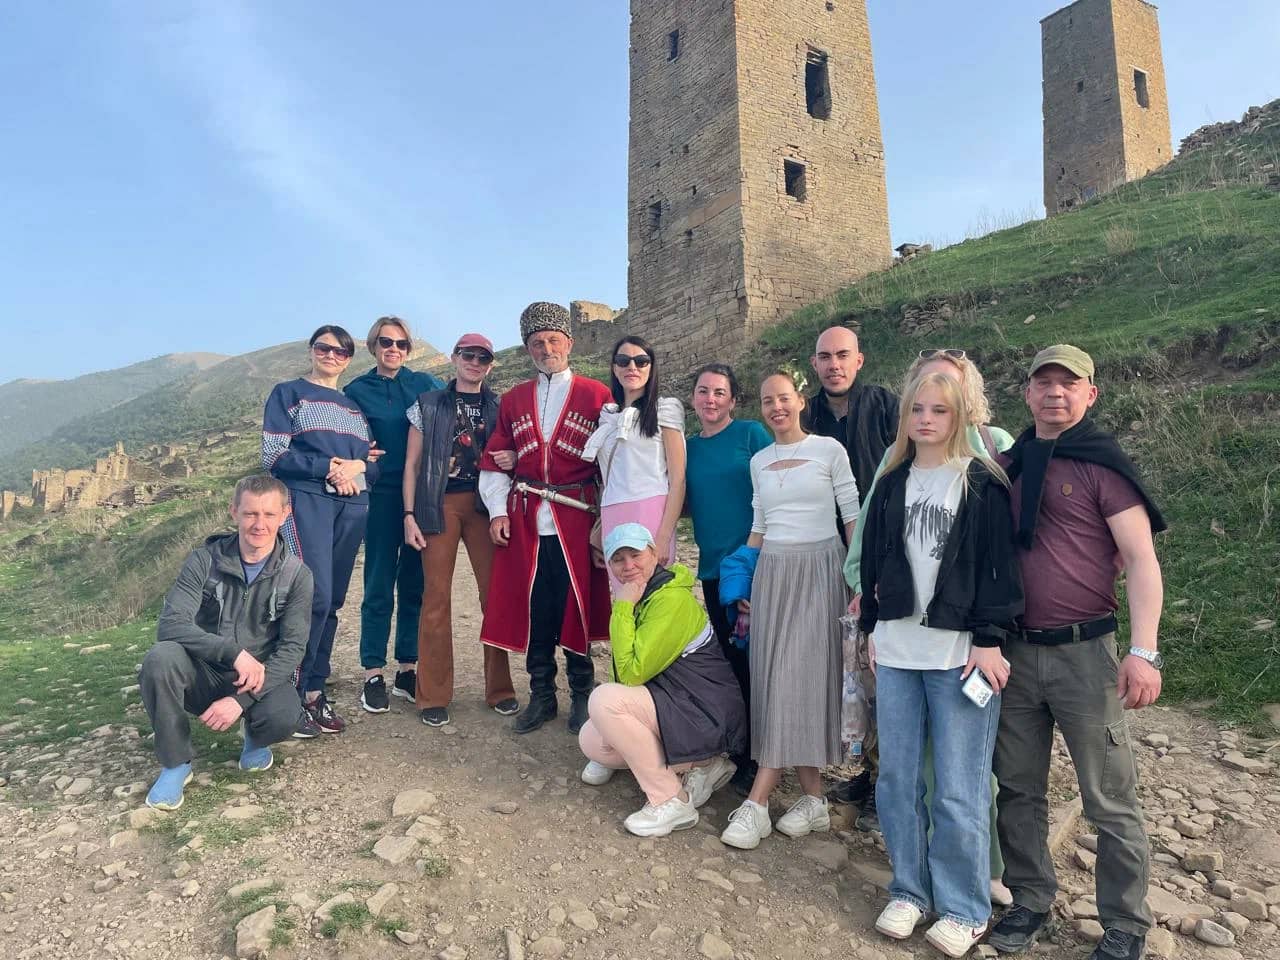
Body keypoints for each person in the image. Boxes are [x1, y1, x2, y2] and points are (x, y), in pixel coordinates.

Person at [988, 346, 1166, 960]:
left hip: (1085, 653)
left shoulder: (1103, 467)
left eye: (1069, 383)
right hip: (1013, 653)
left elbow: (1141, 559)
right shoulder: (1007, 467)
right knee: (1017, 788)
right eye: (1044, 383)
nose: (1055, 393)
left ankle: (1126, 922)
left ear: (1091, 394)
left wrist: (1144, 650)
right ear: (1027, 394)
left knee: (1108, 795)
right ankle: (1030, 899)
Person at [858, 372, 1023, 958]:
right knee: (898, 779)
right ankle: (909, 889)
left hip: (959, 653)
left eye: (939, 411)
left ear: (959, 417)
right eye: (917, 410)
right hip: (898, 650)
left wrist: (990, 640)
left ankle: (964, 907)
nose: (926, 420)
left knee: (958, 786)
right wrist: (871, 625)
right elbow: (874, 560)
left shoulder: (981, 482)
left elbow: (999, 569)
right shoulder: (892, 480)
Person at [719, 371, 858, 850]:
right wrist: (743, 578)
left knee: (795, 677)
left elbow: (851, 516)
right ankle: (814, 799)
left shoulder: (829, 450)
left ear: (800, 400)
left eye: (783, 398)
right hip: (773, 572)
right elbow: (759, 523)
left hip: (821, 570)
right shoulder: (759, 461)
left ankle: (757, 801)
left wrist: (858, 581)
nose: (776, 407)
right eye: (767, 401)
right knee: (776, 676)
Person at [478, 302, 612, 735]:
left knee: (576, 605)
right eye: (537, 342)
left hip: (577, 519)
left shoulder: (597, 395)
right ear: (527, 348)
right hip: (527, 520)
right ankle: (541, 695)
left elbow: (612, 461)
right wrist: (498, 511)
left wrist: (606, 522)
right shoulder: (514, 399)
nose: (546, 348)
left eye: (554, 340)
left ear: (569, 343)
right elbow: (494, 460)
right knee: (536, 608)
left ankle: (582, 693)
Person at [139, 475, 312, 810]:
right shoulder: (204, 560)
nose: (259, 524)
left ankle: (255, 738)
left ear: (285, 515)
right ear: (234, 512)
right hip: (202, 670)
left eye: (269, 514)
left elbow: (292, 649)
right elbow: (171, 624)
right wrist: (233, 653)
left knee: (285, 715)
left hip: (258, 677)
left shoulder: (297, 575)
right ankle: (176, 764)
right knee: (160, 659)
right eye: (250, 513)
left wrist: (240, 700)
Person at [578, 524, 747, 837]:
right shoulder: (644, 593)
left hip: (705, 714)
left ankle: (671, 798)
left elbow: (630, 674)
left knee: (604, 701)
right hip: (681, 703)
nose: (628, 565)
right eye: (618, 559)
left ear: (654, 554)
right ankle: (700, 766)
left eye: (635, 554)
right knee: (592, 738)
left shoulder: (669, 600)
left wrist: (622, 608)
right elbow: (625, 670)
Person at [802, 326, 899, 820]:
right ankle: (863, 767)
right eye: (825, 357)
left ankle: (887, 781)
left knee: (878, 667)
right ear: (814, 364)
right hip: (823, 554)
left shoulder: (885, 406)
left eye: (843, 355)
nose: (834, 364)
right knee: (847, 666)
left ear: (859, 360)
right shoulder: (807, 416)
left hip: (878, 554)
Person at [262, 325, 377, 737]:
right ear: (312, 351)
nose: (332, 355)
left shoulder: (353, 408)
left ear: (349, 359)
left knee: (333, 602)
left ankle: (313, 691)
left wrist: (356, 468)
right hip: (307, 501)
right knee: (313, 597)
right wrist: (328, 467)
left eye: (341, 351)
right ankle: (287, 696)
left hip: (352, 505)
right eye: (324, 348)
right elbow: (273, 455)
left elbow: (373, 464)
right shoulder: (288, 394)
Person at [403, 333, 518, 726]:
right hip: (439, 504)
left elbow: (514, 453)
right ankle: (432, 695)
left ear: (490, 364)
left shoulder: (500, 406)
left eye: (483, 357)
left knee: (494, 597)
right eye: (468, 355)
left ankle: (500, 689)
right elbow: (412, 465)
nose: (475, 362)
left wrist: (513, 456)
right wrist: (408, 514)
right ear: (454, 358)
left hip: (486, 505)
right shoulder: (426, 404)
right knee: (436, 597)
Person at [343, 316, 445, 714]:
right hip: (381, 496)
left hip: (423, 494)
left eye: (401, 344)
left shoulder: (424, 383)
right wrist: (357, 455)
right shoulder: (356, 390)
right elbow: (345, 438)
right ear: (373, 346)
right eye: (386, 342)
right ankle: (373, 671)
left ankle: (407, 668)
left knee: (415, 582)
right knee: (379, 581)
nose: (394, 349)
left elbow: (451, 414)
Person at [684, 362, 771, 795]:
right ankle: (744, 749)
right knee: (734, 662)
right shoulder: (687, 448)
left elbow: (779, 484)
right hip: (714, 570)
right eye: (703, 391)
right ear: (693, 399)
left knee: (761, 662)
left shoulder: (751, 434)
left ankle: (765, 756)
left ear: (733, 399)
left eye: (719, 392)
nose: (711, 399)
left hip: (757, 566)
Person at [581, 335, 686, 584]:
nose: (632, 367)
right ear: (614, 367)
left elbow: (678, 480)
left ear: (651, 367)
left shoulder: (665, 410)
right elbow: (608, 477)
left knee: (654, 593)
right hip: (612, 513)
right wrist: (599, 534)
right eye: (623, 360)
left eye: (641, 361)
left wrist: (663, 537)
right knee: (623, 595)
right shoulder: (608, 417)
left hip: (650, 509)